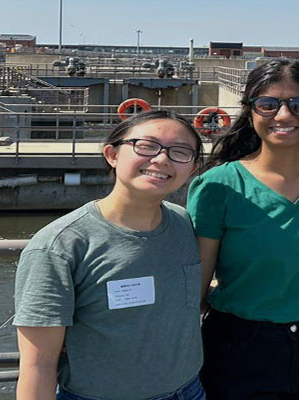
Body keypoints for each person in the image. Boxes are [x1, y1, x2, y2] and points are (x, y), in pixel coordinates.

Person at [188, 59, 299, 399]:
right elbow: (196, 289)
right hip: (241, 347)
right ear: (250, 111)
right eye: (268, 104)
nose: (284, 115)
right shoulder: (219, 185)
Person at [14, 110, 205, 400]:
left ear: (192, 169)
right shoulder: (60, 246)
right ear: (112, 155)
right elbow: (38, 365)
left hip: (189, 391)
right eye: (146, 146)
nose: (162, 159)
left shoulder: (184, 224)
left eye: (180, 152)